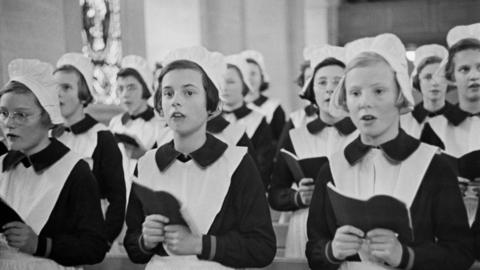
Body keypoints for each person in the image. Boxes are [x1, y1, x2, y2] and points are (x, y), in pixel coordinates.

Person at [306, 33, 474, 270]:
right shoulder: (331, 168)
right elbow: (314, 249)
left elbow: (461, 253)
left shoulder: (433, 166)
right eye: (355, 93)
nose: (365, 102)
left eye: (378, 91)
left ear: (399, 95)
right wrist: (331, 251)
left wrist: (405, 256)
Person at [124, 46, 276, 269]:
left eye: (188, 92)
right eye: (168, 93)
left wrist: (201, 245)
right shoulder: (147, 164)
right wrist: (145, 241)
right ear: (160, 106)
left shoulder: (236, 162)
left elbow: (262, 248)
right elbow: (132, 245)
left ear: (211, 104)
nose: (175, 101)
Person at [0, 59, 108, 269]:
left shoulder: (74, 170)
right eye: (4, 113)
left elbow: (94, 247)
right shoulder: (2, 163)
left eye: (21, 115)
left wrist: (40, 245)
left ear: (47, 118)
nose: (8, 123)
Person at [269, 45, 357, 258]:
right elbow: (275, 193)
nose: (329, 89)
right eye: (322, 82)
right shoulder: (296, 136)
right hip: (303, 227)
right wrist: (298, 197)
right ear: (312, 91)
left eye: (338, 82)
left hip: (351, 231)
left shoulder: (362, 135)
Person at [53, 53, 126, 247]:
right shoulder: (49, 136)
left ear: (83, 93)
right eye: (55, 87)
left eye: (66, 87)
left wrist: (104, 239)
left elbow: (117, 198)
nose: (58, 93)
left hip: (89, 233)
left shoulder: (101, 138)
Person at [109, 55, 161, 191]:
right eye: (121, 88)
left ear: (145, 88)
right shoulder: (115, 122)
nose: (125, 94)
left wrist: (143, 155)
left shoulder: (160, 124)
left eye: (131, 87)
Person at [400, 44, 454, 149]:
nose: (434, 83)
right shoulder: (404, 121)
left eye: (440, 76)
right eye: (428, 77)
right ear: (418, 81)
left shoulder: (463, 119)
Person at [242, 50, 286, 142]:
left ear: (262, 77)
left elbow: (281, 142)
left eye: (253, 73)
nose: (249, 79)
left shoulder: (274, 107)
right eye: (245, 74)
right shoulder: (232, 108)